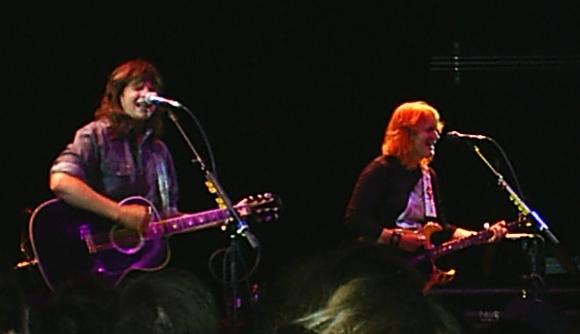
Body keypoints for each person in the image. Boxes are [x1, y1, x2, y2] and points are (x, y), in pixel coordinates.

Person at [344, 100, 508, 289]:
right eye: (429, 130)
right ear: (407, 134)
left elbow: (442, 228)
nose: (436, 135)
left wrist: (482, 236)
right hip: (379, 269)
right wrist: (396, 239)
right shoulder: (382, 169)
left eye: (436, 129)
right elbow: (354, 218)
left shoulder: (428, 176)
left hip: (414, 273)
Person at [49, 58, 179, 233]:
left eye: (152, 89)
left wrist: (209, 219)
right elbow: (61, 182)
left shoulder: (159, 151)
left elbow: (166, 216)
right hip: (98, 250)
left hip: (146, 256)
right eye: (138, 88)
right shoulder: (96, 135)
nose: (149, 95)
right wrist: (120, 213)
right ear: (120, 95)